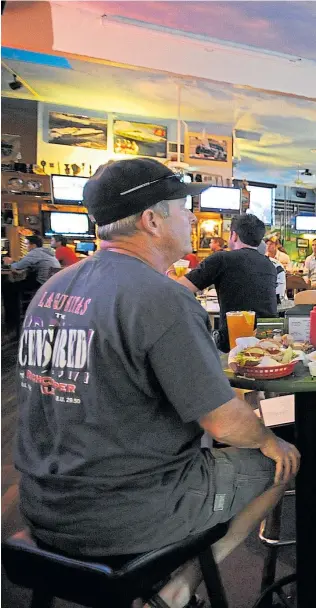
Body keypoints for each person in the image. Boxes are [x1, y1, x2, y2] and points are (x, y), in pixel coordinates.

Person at [15, 159, 299, 608]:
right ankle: (179, 588)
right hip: (124, 512)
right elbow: (225, 424)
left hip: (42, 503)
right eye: (184, 208)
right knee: (279, 462)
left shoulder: (55, 286)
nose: (191, 219)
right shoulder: (159, 297)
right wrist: (268, 439)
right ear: (152, 219)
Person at [171, 214, 278, 353]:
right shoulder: (269, 265)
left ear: (234, 236)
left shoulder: (222, 258)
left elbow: (179, 288)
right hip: (267, 343)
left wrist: (170, 271)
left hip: (233, 345)